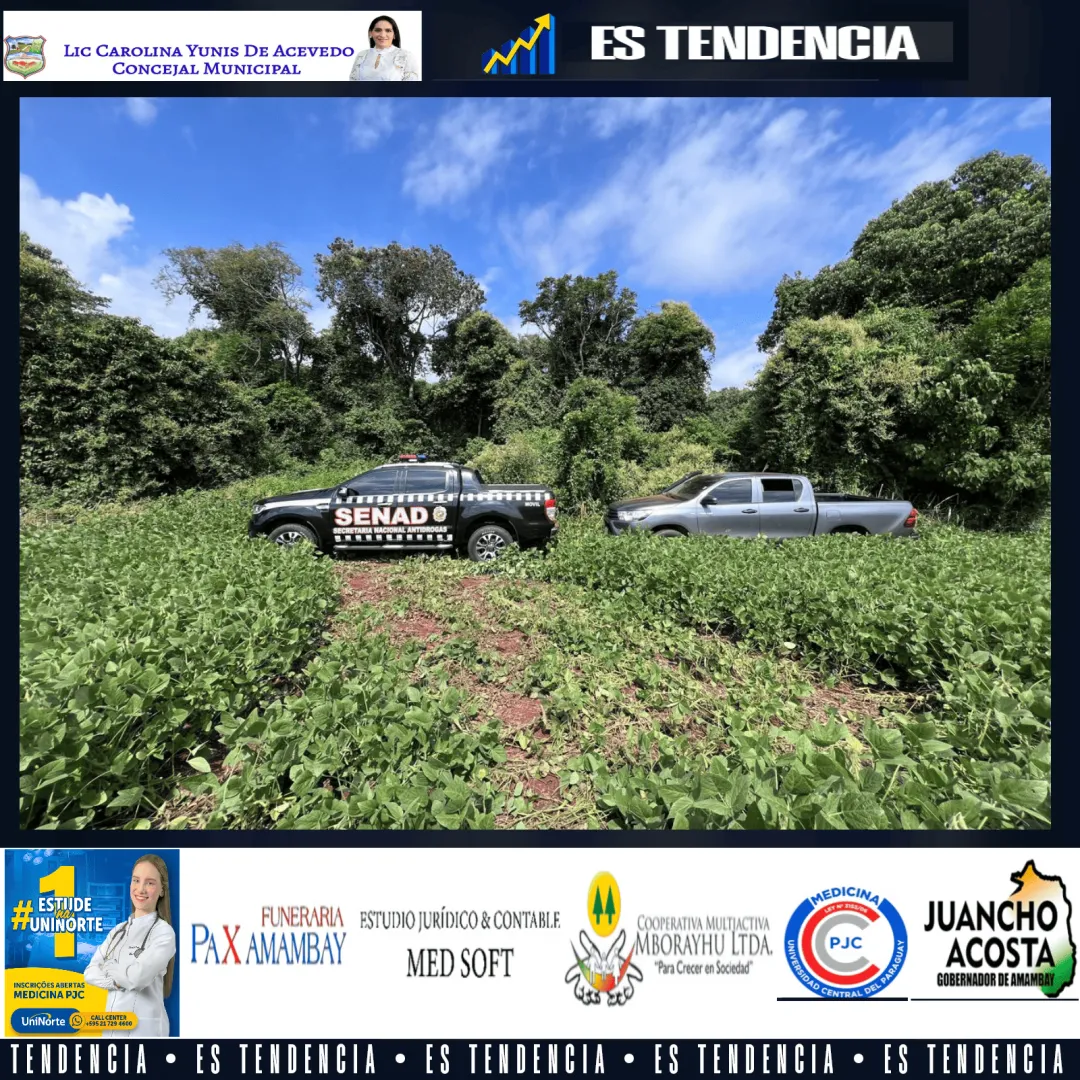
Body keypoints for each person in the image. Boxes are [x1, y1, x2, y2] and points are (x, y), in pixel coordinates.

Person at [84, 855, 176, 1038]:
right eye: (136, 880)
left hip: (144, 1032)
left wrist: (110, 967)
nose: (140, 889)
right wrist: (119, 980)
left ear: (162, 890)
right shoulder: (118, 931)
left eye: (150, 883)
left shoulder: (163, 933)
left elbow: (136, 978)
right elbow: (90, 973)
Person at [349, 16, 419, 81]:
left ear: (394, 34)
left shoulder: (406, 56)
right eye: (378, 30)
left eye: (388, 30)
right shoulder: (362, 55)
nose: (382, 35)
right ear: (370, 33)